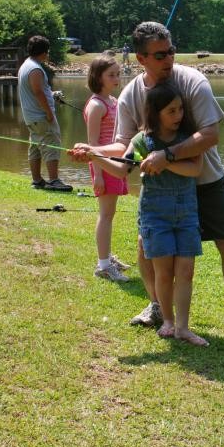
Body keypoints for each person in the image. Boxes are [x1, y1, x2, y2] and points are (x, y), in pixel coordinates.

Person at [70, 21, 224, 339]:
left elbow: (210, 135)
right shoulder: (130, 95)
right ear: (141, 59)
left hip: (205, 180)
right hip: (161, 190)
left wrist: (169, 156)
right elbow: (124, 147)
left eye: (171, 51)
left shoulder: (194, 82)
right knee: (146, 247)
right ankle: (157, 308)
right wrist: (93, 150)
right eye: (160, 54)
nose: (169, 59)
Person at [94, 82, 208, 346]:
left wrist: (163, 160)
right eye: (171, 111)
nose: (179, 115)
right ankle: (168, 321)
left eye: (180, 109)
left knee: (186, 272)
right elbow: (123, 169)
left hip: (186, 214)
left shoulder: (189, 137)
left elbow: (195, 169)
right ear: (155, 113)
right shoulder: (141, 140)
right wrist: (94, 156)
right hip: (155, 216)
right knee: (164, 273)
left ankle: (183, 327)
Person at [83, 52, 131, 282]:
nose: (116, 78)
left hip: (115, 163)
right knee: (105, 214)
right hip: (103, 166)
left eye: (118, 74)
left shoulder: (112, 101)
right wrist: (98, 176)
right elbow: (92, 144)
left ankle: (107, 256)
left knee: (110, 213)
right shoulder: (96, 105)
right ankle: (103, 265)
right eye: (111, 75)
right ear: (98, 77)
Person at [17, 35, 73, 192]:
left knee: (35, 146)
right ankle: (54, 181)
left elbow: (39, 90)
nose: (48, 54)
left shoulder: (26, 65)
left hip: (31, 117)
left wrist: (52, 95)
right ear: (43, 52)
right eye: (47, 51)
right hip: (40, 117)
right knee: (51, 145)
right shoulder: (35, 69)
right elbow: (37, 92)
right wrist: (49, 112)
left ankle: (37, 180)